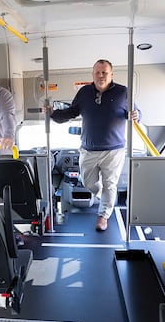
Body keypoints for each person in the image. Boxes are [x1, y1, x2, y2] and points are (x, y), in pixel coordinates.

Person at [45, 59, 140, 232]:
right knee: (89, 183)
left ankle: (103, 216)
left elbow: (136, 112)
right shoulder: (84, 93)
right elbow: (70, 112)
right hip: (88, 149)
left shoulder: (123, 92)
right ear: (93, 74)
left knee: (110, 184)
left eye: (104, 72)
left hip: (114, 149)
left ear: (111, 74)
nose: (101, 75)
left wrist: (136, 115)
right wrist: (53, 114)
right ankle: (105, 197)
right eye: (97, 72)